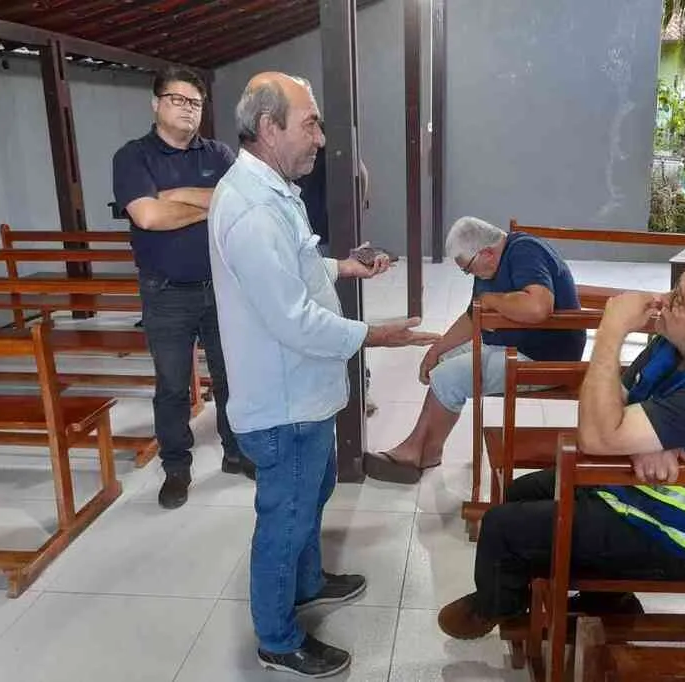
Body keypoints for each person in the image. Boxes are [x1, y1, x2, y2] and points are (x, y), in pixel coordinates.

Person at [209, 72, 440, 678]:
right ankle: (278, 641)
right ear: (269, 127)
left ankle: (307, 584)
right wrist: (375, 334)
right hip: (281, 400)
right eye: (310, 123)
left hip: (304, 391)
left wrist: (345, 266)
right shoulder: (250, 210)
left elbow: (298, 262)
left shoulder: (274, 189)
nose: (320, 137)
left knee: (313, 494)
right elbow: (292, 320)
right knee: (283, 520)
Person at [437, 252, 685, 639]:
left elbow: (596, 435)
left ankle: (499, 608)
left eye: (679, 300)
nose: (663, 300)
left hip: (679, 536)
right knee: (521, 490)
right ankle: (603, 600)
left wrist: (610, 332)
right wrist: (642, 437)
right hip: (646, 490)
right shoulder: (684, 343)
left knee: (504, 528)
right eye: (675, 289)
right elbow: (616, 403)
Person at [112, 66, 253, 510]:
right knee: (172, 385)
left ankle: (237, 451)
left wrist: (175, 195)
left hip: (221, 288)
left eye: (195, 103)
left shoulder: (219, 153)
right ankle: (177, 466)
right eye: (178, 100)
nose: (188, 110)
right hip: (166, 292)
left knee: (233, 377)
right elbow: (148, 218)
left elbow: (241, 202)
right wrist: (209, 204)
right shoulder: (133, 157)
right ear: (156, 103)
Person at [364, 216, 587, 484]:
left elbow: (538, 308)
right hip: (513, 345)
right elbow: (474, 316)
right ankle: (427, 450)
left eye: (468, 269)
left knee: (449, 378)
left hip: (543, 359)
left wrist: (492, 299)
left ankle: (416, 451)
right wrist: (436, 350)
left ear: (488, 252)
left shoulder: (526, 251)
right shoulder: (489, 266)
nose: (470, 275)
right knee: (442, 364)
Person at [298, 146, 379, 417]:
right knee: (318, 319)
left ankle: (358, 386)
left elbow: (361, 173)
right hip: (312, 240)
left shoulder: (328, 146)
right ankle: (343, 387)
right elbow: (363, 174)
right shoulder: (295, 151)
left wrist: (355, 221)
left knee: (337, 317)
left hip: (327, 240)